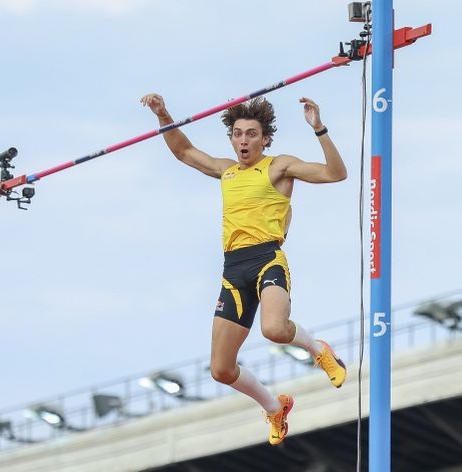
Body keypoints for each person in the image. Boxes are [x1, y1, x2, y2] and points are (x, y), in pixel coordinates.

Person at [141, 93, 347, 446]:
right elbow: (183, 152)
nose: (243, 141)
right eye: (238, 134)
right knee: (221, 370)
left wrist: (319, 129)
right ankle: (274, 407)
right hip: (233, 270)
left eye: (251, 134)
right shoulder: (227, 171)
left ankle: (319, 350)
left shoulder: (280, 166)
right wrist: (163, 115)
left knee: (274, 329)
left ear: (265, 138)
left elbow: (335, 173)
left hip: (267, 259)